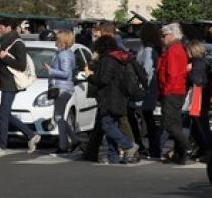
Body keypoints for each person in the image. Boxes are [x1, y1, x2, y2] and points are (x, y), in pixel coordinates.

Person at [0, 16, 41, 155]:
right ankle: (31, 135)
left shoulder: (18, 43)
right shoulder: (5, 42)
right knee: (3, 113)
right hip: (6, 82)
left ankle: (1, 146)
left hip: (11, 83)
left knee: (3, 113)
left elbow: (21, 66)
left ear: (9, 27)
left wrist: (6, 57)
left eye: (1, 27)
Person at [87, 35, 140, 164]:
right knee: (113, 125)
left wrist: (90, 77)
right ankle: (113, 157)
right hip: (118, 97)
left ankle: (128, 145)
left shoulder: (108, 60)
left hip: (110, 98)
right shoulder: (116, 58)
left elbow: (104, 79)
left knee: (107, 125)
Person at [156, 23, 190, 164]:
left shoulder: (174, 50)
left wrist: (166, 91)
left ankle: (185, 147)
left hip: (172, 92)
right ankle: (179, 154)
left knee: (170, 124)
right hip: (174, 91)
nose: (162, 39)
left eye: (164, 36)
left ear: (171, 35)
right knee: (175, 124)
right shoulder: (174, 49)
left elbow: (173, 74)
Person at [43, 29, 78, 155]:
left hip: (62, 88)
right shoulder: (65, 53)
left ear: (62, 40)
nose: (55, 40)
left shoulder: (64, 55)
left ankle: (64, 145)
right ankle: (73, 141)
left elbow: (66, 73)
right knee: (59, 117)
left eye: (57, 38)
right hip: (63, 88)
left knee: (58, 117)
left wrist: (50, 70)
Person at [134, 23, 161, 159]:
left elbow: (147, 71)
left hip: (146, 90)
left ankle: (151, 148)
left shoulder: (148, 50)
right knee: (147, 118)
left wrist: (140, 87)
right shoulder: (148, 49)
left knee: (146, 118)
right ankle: (152, 148)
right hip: (148, 89)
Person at [186, 40, 212, 161]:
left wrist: (188, 72)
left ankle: (208, 150)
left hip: (199, 95)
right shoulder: (205, 61)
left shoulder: (196, 63)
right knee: (198, 125)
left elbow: (197, 80)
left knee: (201, 125)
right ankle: (204, 149)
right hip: (204, 95)